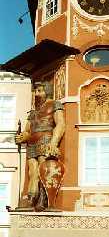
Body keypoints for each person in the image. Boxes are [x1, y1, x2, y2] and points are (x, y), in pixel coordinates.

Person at [15, 81, 65, 211]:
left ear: (47, 91)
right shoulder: (33, 112)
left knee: (43, 170)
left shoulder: (55, 104)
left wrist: (53, 142)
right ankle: (31, 199)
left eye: (40, 91)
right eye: (35, 91)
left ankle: (43, 199)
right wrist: (23, 137)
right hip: (32, 141)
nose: (36, 94)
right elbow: (28, 130)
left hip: (46, 138)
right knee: (32, 172)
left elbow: (60, 124)